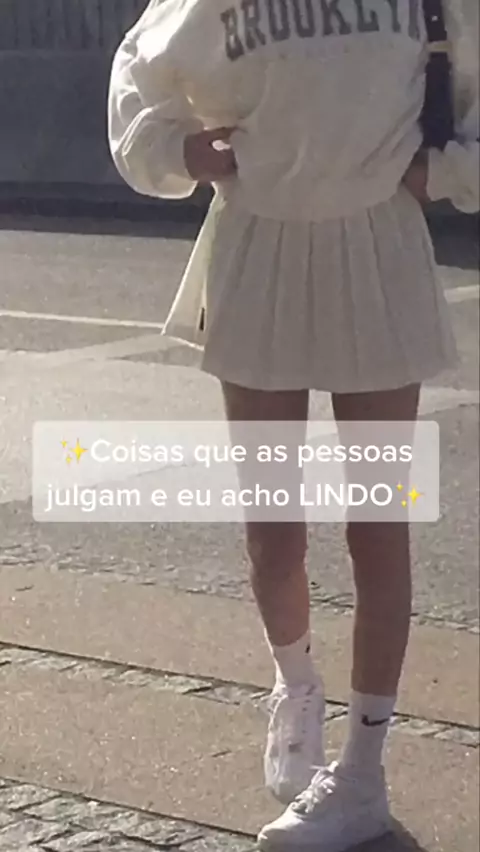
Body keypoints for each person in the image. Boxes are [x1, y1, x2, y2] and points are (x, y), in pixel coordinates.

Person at [108, 0, 479, 849]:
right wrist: (177, 151)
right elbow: (139, 69)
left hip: (376, 243)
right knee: (271, 526)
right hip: (258, 243)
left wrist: (451, 170)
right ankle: (297, 683)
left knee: (378, 526)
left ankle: (363, 776)